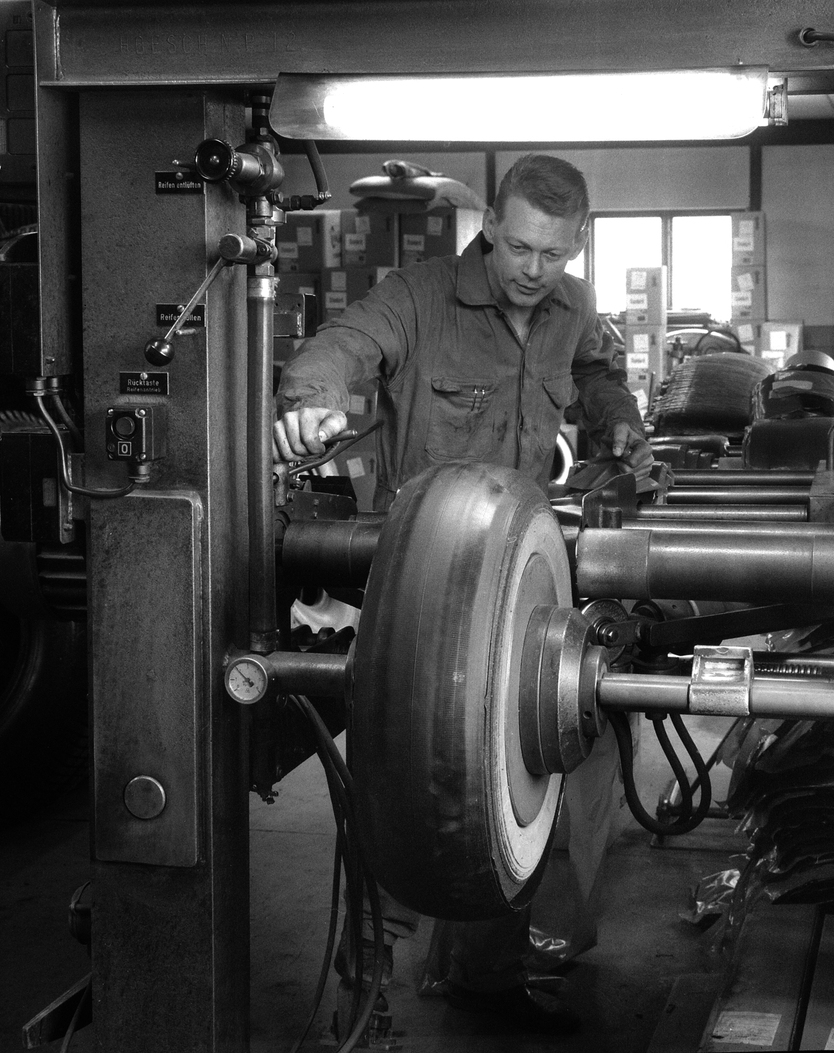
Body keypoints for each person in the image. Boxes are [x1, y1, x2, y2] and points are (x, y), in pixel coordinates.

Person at [273, 154, 652, 1036]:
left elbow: (595, 367)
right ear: (492, 226)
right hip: (423, 590)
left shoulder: (575, 307)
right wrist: (316, 402)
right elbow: (341, 345)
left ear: (574, 245)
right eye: (517, 246)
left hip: (518, 573)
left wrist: (617, 414)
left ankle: (484, 974)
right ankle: (364, 982)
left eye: (551, 255)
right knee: (403, 783)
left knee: (518, 775)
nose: (532, 268)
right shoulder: (421, 295)